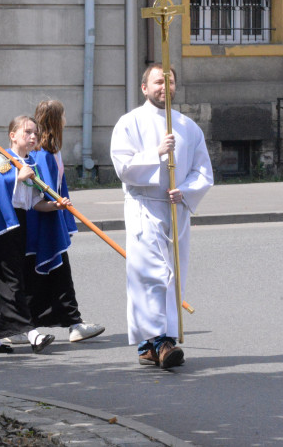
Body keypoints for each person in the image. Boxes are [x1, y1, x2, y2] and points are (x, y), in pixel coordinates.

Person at [110, 64, 213, 369]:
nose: (164, 88)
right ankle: (162, 343)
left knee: (172, 277)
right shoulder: (130, 123)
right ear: (144, 88)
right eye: (158, 82)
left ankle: (149, 346)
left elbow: (203, 171)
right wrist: (155, 153)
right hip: (145, 208)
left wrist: (186, 191)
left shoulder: (187, 127)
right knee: (150, 276)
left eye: (169, 82)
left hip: (175, 209)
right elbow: (123, 167)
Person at [0, 115, 65, 354]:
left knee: (1, 283)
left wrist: (54, 205)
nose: (33, 137)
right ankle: (32, 334)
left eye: (35, 133)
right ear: (13, 135)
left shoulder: (31, 163)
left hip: (20, 223)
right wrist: (16, 177)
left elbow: (36, 203)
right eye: (27, 132)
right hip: (0, 225)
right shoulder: (1, 159)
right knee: (11, 281)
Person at [16, 99, 104, 344]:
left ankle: (70, 322)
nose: (66, 120)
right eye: (63, 116)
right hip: (41, 222)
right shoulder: (42, 154)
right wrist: (56, 210)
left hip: (50, 218)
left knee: (55, 274)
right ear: (56, 120)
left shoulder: (52, 151)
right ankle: (30, 325)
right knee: (47, 273)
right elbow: (42, 190)